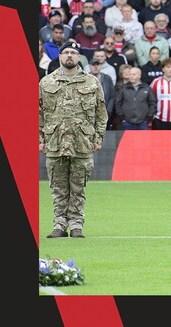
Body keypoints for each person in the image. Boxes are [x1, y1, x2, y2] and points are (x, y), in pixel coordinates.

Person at [39, 40, 108, 238]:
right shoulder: (46, 82)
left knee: (78, 187)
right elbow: (37, 112)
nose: (69, 55)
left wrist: (98, 137)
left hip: (82, 142)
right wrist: (40, 138)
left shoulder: (91, 82)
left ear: (79, 57)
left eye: (74, 52)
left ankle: (77, 224)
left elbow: (101, 113)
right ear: (59, 57)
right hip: (55, 142)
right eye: (66, 52)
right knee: (58, 187)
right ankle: (59, 224)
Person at [148, 58, 171, 130]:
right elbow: (151, 98)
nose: (170, 69)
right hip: (159, 118)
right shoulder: (156, 82)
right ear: (163, 69)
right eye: (168, 67)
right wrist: (153, 114)